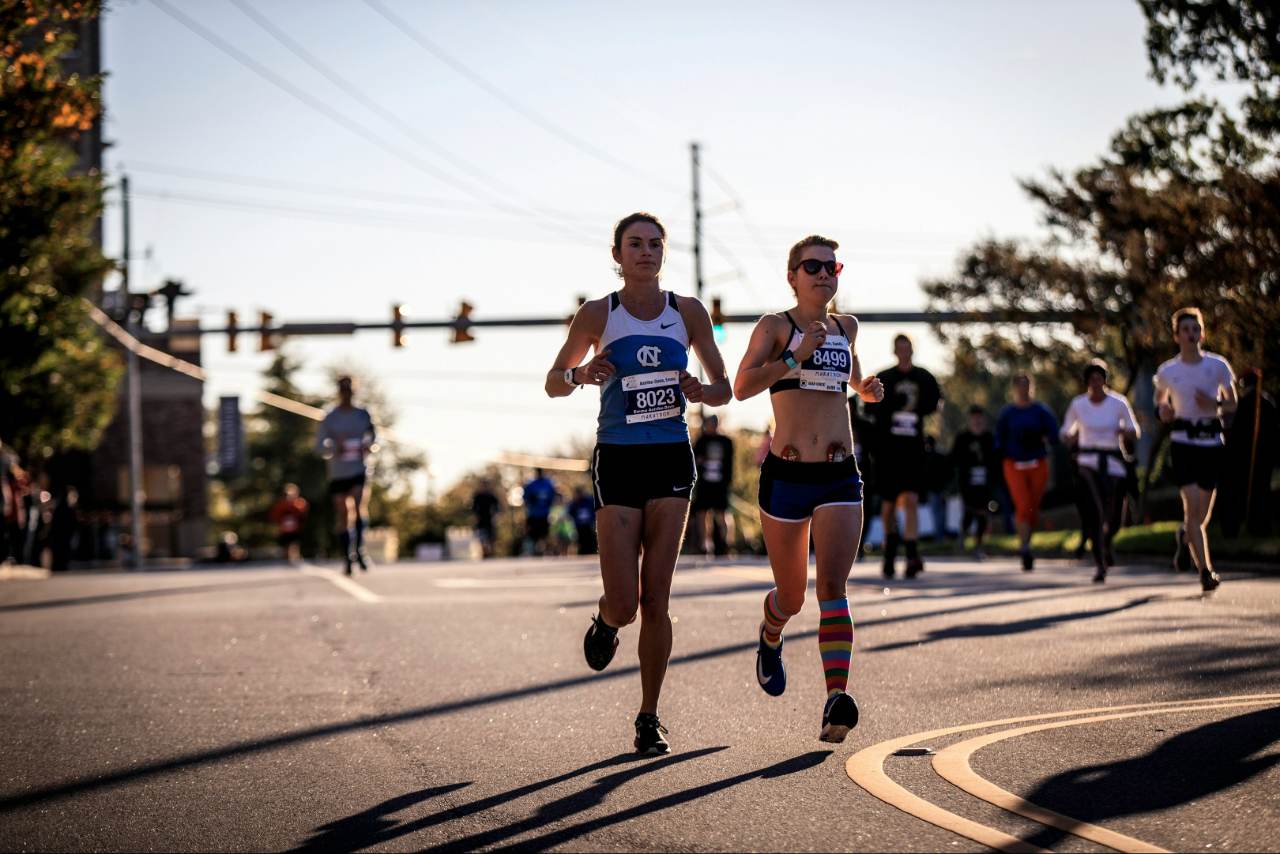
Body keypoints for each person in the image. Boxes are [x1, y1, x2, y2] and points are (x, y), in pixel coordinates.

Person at [545, 211, 730, 755]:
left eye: (654, 244)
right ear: (618, 254)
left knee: (657, 598)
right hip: (618, 461)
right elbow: (553, 382)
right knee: (626, 602)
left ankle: (648, 716)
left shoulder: (687, 312)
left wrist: (701, 389)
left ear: (663, 253)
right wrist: (582, 374)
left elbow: (725, 387)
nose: (645, 252)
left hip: (672, 458)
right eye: (635, 244)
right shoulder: (599, 312)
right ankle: (606, 621)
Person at [733, 234, 884, 743]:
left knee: (832, 590)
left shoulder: (848, 326)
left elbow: (852, 377)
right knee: (793, 596)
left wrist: (866, 388)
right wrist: (795, 357)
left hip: (840, 474)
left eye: (831, 266)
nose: (823, 273)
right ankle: (770, 634)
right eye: (812, 266)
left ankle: (834, 700)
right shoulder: (776, 326)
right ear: (792, 276)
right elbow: (742, 386)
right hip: (788, 476)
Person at [1154, 307, 1237, 592]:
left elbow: (1233, 403)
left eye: (1195, 328)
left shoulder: (1218, 366)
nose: (1191, 333)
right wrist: (1163, 411)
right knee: (1192, 510)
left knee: (1202, 515)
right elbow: (1160, 404)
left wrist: (1213, 406)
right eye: (1185, 329)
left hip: (1211, 442)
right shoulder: (1168, 371)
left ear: (1202, 332)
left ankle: (1184, 537)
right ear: (1176, 336)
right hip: (1183, 442)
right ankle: (1206, 571)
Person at [868, 334, 941, 578]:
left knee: (910, 499)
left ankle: (911, 553)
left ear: (912, 350)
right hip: (889, 451)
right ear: (894, 351)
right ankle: (889, 551)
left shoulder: (924, 378)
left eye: (907, 347)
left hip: (913, 450)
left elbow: (935, 403)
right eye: (899, 348)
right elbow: (869, 406)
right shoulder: (885, 378)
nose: (904, 352)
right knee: (888, 505)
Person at [1061, 360, 1140, 583]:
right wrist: (1069, 436)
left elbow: (1135, 431)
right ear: (1087, 382)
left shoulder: (1118, 402)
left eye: (1100, 378)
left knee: (1114, 518)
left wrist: (1124, 431)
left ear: (1105, 380)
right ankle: (1100, 565)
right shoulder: (1078, 404)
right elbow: (1066, 429)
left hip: (1113, 461)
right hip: (1087, 461)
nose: (1096, 383)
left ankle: (1106, 542)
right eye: (1092, 379)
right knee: (1095, 512)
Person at [995, 375, 1059, 571]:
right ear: (1014, 388)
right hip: (1014, 465)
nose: (1023, 389)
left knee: (1033, 506)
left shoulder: (1040, 411)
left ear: (1032, 387)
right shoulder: (1008, 413)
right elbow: (998, 440)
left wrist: (1039, 438)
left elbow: (1054, 435)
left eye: (1027, 385)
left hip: (1037, 463)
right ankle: (1025, 547)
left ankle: (1026, 541)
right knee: (1022, 504)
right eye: (1019, 385)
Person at [315, 376, 376, 575]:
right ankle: (347, 557)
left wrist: (369, 446)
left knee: (359, 507)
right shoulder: (330, 417)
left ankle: (360, 550)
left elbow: (373, 437)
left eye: (349, 389)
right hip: (338, 471)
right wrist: (334, 447)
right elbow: (320, 446)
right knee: (343, 513)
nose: (347, 393)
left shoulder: (363, 414)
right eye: (343, 390)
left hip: (359, 468)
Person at [1219, 369, 1277, 538]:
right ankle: (1255, 525)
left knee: (1253, 492)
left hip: (1251, 458)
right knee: (1259, 491)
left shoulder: (1258, 404)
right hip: (1258, 458)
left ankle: (1257, 526)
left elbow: (1236, 434)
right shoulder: (1263, 402)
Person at [950, 406, 996, 560]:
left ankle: (978, 545)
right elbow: (954, 459)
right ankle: (963, 535)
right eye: (974, 418)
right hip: (967, 482)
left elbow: (995, 460)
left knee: (983, 512)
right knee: (969, 511)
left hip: (985, 483)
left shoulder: (989, 438)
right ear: (970, 419)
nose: (977, 421)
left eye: (979, 418)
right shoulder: (962, 438)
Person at [691, 414, 735, 556]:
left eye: (712, 424)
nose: (710, 426)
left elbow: (730, 463)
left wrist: (728, 481)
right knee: (702, 513)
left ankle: (726, 544)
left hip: (720, 484)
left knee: (722, 514)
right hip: (704, 483)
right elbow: (694, 459)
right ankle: (705, 545)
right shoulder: (701, 441)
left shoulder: (726, 441)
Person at [268, 483, 309, 564]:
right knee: (286, 544)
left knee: (295, 543)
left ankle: (294, 557)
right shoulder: (281, 505)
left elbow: (303, 515)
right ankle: (287, 558)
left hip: (295, 529)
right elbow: (275, 516)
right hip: (285, 530)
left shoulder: (299, 503)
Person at [521, 469, 558, 555]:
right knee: (533, 534)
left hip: (544, 514)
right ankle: (534, 550)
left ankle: (543, 549)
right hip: (533, 514)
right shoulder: (531, 484)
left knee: (544, 533)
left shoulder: (548, 484)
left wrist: (551, 508)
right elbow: (525, 498)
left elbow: (553, 497)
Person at [470, 480, 501, 557]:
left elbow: (497, 506)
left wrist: (496, 515)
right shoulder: (478, 496)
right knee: (481, 535)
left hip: (490, 518)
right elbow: (473, 508)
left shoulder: (491, 495)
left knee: (490, 536)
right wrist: (475, 517)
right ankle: (484, 551)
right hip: (480, 519)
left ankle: (490, 551)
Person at [567, 486, 598, 555]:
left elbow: (594, 510)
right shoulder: (574, 503)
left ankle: (592, 552)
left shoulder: (589, 500)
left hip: (589, 525)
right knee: (581, 541)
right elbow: (570, 512)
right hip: (579, 526)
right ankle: (583, 553)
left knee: (591, 540)